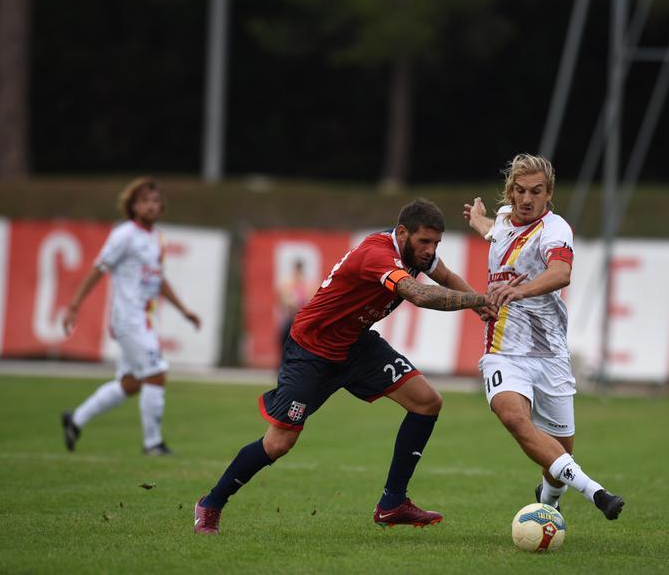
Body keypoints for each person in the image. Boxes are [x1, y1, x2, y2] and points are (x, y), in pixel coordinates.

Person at [193, 198, 496, 534]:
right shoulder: (377, 255)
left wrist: (482, 308)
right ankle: (211, 503)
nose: (429, 250)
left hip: (356, 345)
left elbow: (447, 276)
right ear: (401, 233)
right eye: (424, 241)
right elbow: (420, 295)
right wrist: (481, 299)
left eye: (436, 243)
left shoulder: (415, 254)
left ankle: (392, 502)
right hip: (312, 349)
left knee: (427, 402)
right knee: (278, 443)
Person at [463, 153, 624, 521]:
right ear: (510, 191)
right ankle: (597, 492)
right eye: (519, 191)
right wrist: (478, 220)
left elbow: (561, 272)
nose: (526, 199)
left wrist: (522, 291)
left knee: (556, 456)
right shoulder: (505, 219)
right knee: (512, 415)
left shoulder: (555, 229)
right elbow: (496, 230)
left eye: (536, 191)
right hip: (503, 349)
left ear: (549, 194)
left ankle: (548, 504)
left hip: (549, 354)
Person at [61, 177, 201, 455]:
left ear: (161, 207)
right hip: (128, 317)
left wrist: (184, 310)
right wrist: (74, 304)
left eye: (155, 201)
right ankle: (152, 444)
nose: (151, 206)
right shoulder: (124, 235)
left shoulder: (158, 238)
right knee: (157, 373)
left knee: (132, 383)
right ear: (133, 205)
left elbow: (159, 280)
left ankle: (75, 420)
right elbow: (98, 269)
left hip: (144, 317)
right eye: (145, 201)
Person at [276, 259, 318, 350]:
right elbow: (285, 301)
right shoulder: (288, 283)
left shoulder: (307, 285)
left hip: (301, 319)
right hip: (291, 318)